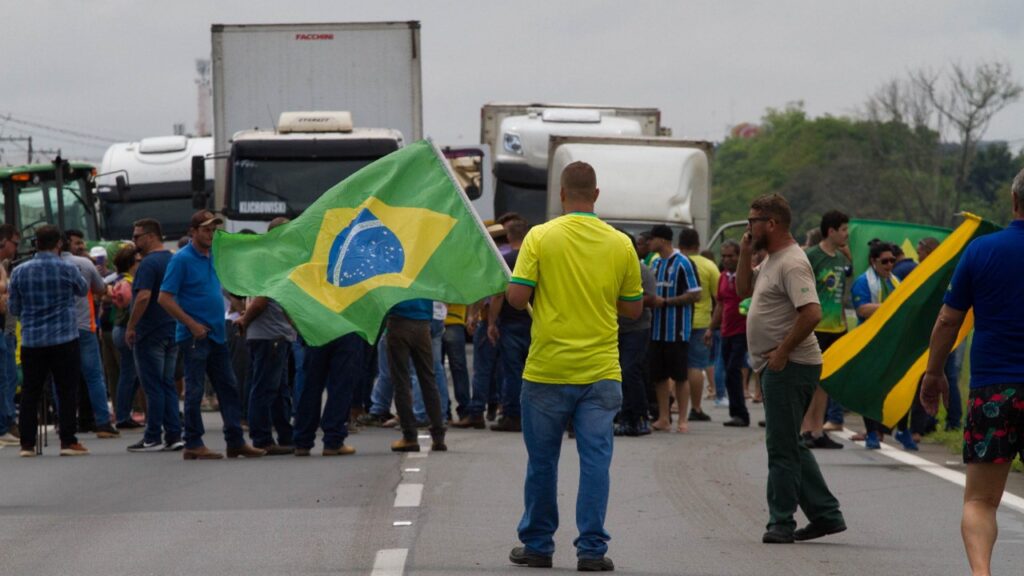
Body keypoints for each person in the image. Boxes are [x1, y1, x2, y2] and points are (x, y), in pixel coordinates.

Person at [506, 161, 642, 571]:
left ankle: (538, 546)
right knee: (596, 462)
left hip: (547, 370)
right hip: (601, 372)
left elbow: (516, 298)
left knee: (543, 462)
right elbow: (633, 310)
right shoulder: (620, 244)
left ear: (562, 195)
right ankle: (592, 550)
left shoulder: (540, 237)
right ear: (596, 195)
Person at [920, 169, 1024, 576]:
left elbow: (948, 320)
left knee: (980, 501)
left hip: (993, 390)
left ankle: (982, 573)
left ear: (1014, 202)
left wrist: (933, 373)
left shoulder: (981, 251)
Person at [736, 194, 845, 544]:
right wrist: (743, 253)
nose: (748, 227)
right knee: (790, 443)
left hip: (791, 365)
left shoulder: (792, 262)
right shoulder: (772, 259)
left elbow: (811, 312)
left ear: (771, 223)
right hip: (778, 365)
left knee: (781, 448)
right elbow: (742, 290)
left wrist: (782, 352)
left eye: (752, 221)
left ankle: (780, 521)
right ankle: (826, 514)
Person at [158, 210, 264, 460]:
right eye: (206, 230)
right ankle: (193, 443)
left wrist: (241, 311)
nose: (211, 234)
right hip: (195, 336)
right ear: (192, 232)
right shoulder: (182, 259)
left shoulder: (213, 256)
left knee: (228, 387)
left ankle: (235, 441)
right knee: (194, 390)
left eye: (213, 230)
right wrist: (191, 324)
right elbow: (164, 298)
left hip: (216, 334)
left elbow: (220, 288)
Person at [9, 225, 90, 456]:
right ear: (59, 244)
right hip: (64, 338)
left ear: (36, 243)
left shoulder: (19, 271)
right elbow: (83, 291)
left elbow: (14, 307)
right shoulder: (68, 268)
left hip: (32, 340)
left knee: (30, 392)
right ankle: (68, 441)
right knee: (66, 390)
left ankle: (26, 444)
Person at [237, 216, 296, 455]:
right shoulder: (271, 260)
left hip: (277, 334)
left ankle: (285, 436)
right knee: (264, 388)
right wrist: (244, 320)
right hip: (269, 335)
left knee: (279, 389)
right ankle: (262, 438)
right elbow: (261, 300)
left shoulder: (271, 258)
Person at [126, 218, 184, 452]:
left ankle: (152, 436)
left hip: (150, 331)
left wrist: (131, 326)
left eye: (137, 236)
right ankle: (173, 434)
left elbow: (142, 297)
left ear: (150, 236)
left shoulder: (148, 264)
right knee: (168, 383)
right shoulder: (173, 259)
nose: (134, 240)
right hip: (172, 328)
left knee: (153, 386)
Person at [850, 241, 912, 450]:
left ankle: (902, 429)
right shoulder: (862, 282)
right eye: (884, 261)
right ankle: (871, 433)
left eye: (892, 260)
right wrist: (890, 307)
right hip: (870, 343)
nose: (889, 265)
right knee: (871, 388)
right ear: (873, 261)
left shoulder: (896, 281)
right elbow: (862, 310)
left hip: (892, 343)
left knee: (900, 386)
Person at [799, 210, 851, 449]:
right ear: (830, 231)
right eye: (843, 230)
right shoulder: (812, 256)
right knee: (810, 379)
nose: (846, 234)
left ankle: (818, 430)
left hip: (836, 327)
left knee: (825, 381)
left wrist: (844, 324)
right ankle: (804, 429)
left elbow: (840, 296)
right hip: (815, 326)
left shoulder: (841, 259)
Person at [62, 230, 120, 439]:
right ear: (65, 242)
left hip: (58, 329)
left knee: (61, 378)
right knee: (94, 376)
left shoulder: (34, 266)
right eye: (77, 243)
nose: (81, 247)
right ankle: (103, 422)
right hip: (85, 326)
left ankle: (64, 422)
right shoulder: (84, 264)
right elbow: (100, 288)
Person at [647, 224, 701, 432]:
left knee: (680, 375)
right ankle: (664, 417)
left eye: (652, 239)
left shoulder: (683, 263)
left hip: (676, 328)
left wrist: (667, 302)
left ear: (662, 240)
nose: (650, 242)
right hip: (657, 329)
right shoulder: (656, 263)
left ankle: (683, 419)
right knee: (659, 376)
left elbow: (696, 293)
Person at [488, 217, 532, 432]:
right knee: (533, 373)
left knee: (513, 371)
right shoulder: (534, 259)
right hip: (534, 322)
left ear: (508, 237)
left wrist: (491, 323)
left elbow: (498, 295)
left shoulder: (506, 259)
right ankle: (532, 414)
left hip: (511, 322)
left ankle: (513, 415)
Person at [616, 230, 657, 437]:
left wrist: (627, 300)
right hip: (615, 328)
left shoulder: (642, 270)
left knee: (630, 370)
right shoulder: (611, 267)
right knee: (619, 374)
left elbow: (652, 298)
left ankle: (640, 417)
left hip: (637, 328)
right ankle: (624, 417)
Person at [706, 240, 750, 427]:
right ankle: (736, 412)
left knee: (733, 369)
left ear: (739, 256)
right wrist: (711, 328)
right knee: (728, 371)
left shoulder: (748, 274)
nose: (726, 260)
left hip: (743, 330)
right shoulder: (723, 276)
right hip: (726, 331)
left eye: (730, 256)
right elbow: (721, 304)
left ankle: (741, 412)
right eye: (723, 256)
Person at [678, 228, 718, 422]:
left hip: (676, 321)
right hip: (701, 321)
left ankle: (675, 405)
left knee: (675, 366)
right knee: (695, 366)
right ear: (698, 244)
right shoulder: (709, 266)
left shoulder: (674, 262)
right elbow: (719, 297)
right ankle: (696, 407)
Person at [110, 244, 144, 430]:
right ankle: (122, 415)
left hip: (120, 329)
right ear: (131, 263)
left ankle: (125, 413)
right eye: (138, 260)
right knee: (129, 373)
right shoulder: (128, 282)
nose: (141, 263)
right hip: (125, 329)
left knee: (131, 373)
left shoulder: (121, 279)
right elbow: (133, 307)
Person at [0, 224, 21, 446]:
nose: (16, 248)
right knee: (5, 377)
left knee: (8, 376)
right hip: (3, 327)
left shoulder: (5, 265)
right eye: (15, 243)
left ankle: (7, 422)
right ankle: (4, 425)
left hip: (6, 327)